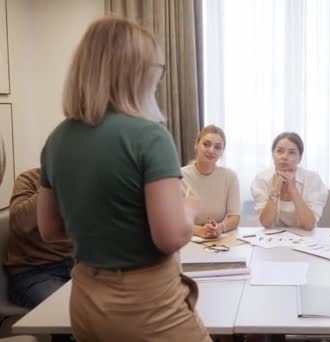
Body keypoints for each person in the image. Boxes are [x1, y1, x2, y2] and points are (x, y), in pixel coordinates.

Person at [37, 17, 210, 341]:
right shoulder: (149, 137)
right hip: (146, 306)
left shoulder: (56, 140)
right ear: (137, 72)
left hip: (85, 297)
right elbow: (170, 237)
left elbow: (50, 230)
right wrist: (189, 209)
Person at [4, 168, 72, 309]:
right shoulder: (28, 179)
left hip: (77, 268)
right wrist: (55, 182)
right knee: (65, 311)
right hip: (35, 273)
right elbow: (21, 223)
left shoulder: (86, 183)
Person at [251, 132, 328, 230]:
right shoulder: (262, 179)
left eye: (291, 152)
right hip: (272, 238)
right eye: (279, 151)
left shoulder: (313, 179)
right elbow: (266, 223)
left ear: (300, 158)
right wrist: (276, 188)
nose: (284, 157)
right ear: (273, 155)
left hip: (305, 238)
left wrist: (293, 189)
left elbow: (309, 225)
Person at [181, 125, 240, 239]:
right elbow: (172, 221)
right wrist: (199, 231)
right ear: (196, 144)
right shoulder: (178, 176)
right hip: (187, 240)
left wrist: (221, 227)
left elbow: (234, 217)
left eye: (217, 147)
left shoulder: (230, 177)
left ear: (222, 152)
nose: (211, 150)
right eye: (206, 144)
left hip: (217, 240)